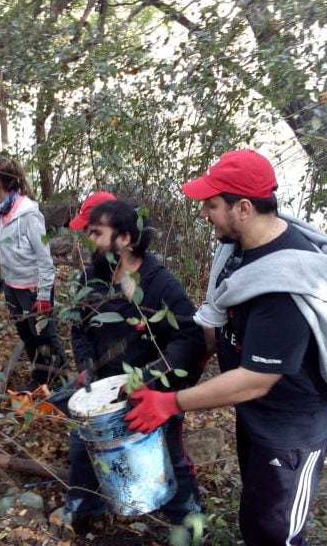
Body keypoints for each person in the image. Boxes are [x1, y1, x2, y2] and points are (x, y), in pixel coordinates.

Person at [124, 150, 327, 546]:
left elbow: (256, 379)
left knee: (277, 532)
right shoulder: (237, 248)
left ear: (242, 208)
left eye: (211, 204)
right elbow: (215, 320)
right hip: (257, 413)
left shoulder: (286, 286)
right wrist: (165, 373)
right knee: (255, 515)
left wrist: (170, 403)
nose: (204, 212)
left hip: (292, 425)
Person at [53, 199, 209, 534]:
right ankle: (81, 507)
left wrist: (149, 378)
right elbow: (79, 329)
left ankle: (189, 524)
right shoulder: (89, 280)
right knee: (82, 447)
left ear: (124, 238)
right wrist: (85, 365)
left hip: (151, 394)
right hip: (100, 393)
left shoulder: (159, 284)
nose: (90, 239)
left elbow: (189, 339)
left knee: (170, 458)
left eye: (97, 232)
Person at [0, 156, 67, 391]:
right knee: (27, 336)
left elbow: (44, 257)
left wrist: (43, 294)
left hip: (33, 289)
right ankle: (40, 378)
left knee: (46, 337)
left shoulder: (28, 213)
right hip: (12, 287)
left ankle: (63, 385)